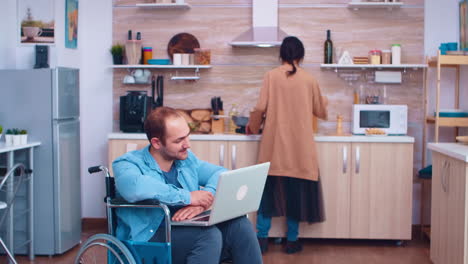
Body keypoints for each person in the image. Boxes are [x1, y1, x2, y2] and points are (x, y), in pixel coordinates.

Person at [113, 106, 263, 264]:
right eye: (179, 140)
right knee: (208, 236)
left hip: (185, 230)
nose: (187, 144)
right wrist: (187, 197)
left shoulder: (186, 160)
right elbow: (135, 188)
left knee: (240, 226)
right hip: (149, 239)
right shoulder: (127, 163)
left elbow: (220, 173)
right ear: (156, 143)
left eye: (187, 137)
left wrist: (202, 203)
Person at [247, 36, 328, 254]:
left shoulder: (271, 76)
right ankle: (292, 241)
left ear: (281, 54)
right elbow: (321, 110)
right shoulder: (309, 79)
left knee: (267, 193)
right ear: (301, 55)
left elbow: (260, 106)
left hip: (275, 147)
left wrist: (252, 127)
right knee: (295, 195)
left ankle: (261, 240)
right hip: (300, 149)